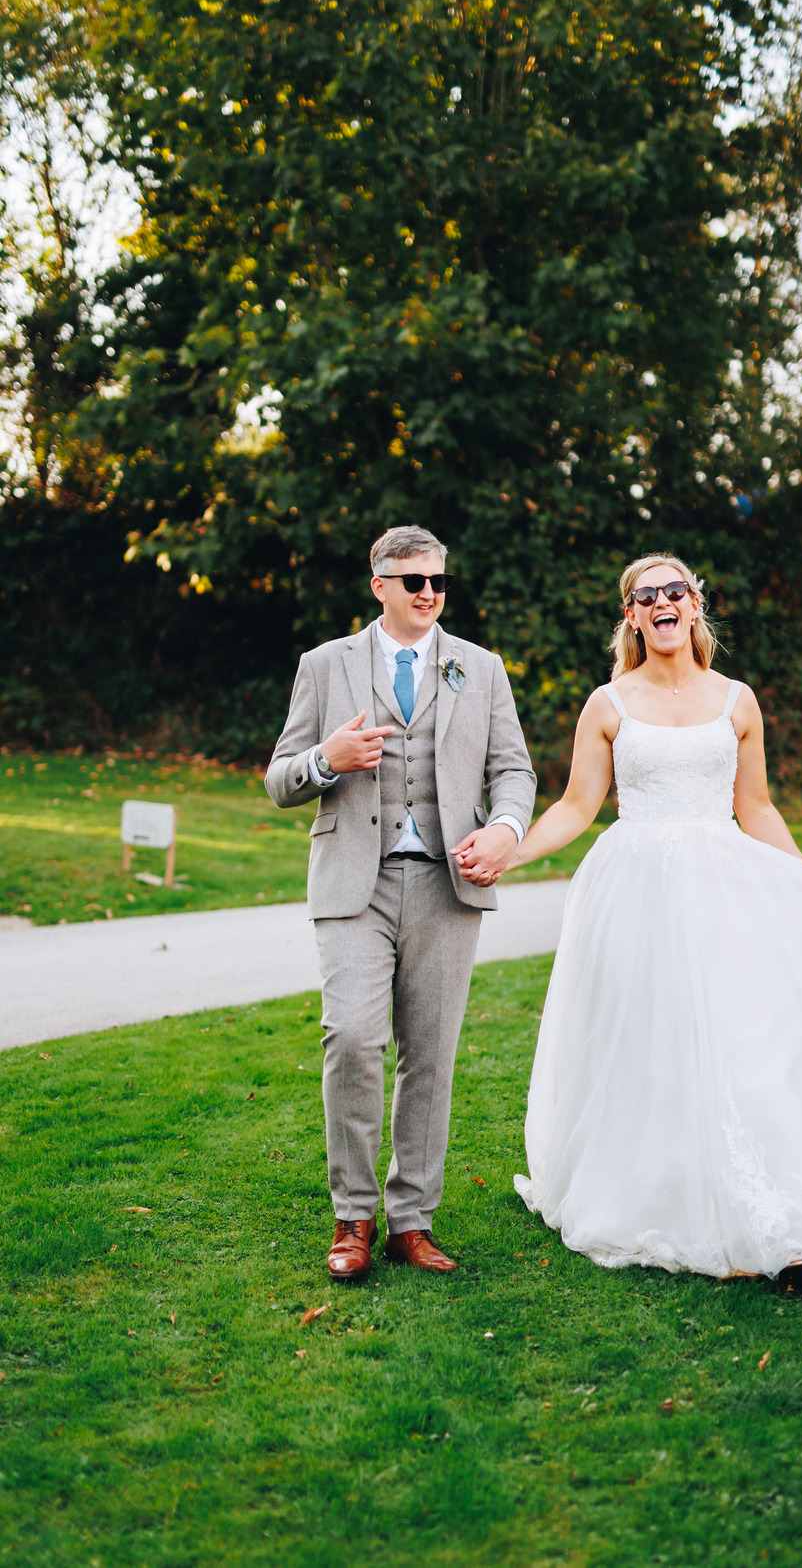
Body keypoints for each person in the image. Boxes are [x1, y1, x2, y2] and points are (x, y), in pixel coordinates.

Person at [503, 553, 802, 1284]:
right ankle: (661, 1190)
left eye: (672, 591)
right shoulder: (607, 703)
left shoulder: (736, 700)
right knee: (651, 1044)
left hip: (722, 887)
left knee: (747, 1042)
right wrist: (511, 854)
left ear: (693, 604)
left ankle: (788, 1229)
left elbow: (757, 807)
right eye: (643, 596)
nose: (660, 604)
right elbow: (576, 807)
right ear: (630, 616)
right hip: (633, 891)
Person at [265, 525, 536, 1280]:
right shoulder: (324, 666)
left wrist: (507, 828)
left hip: (449, 885)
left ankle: (410, 1222)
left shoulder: (479, 669)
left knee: (432, 1056)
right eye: (412, 580)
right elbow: (279, 777)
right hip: (356, 881)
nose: (427, 593)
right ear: (378, 584)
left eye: (437, 582)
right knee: (351, 1038)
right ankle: (352, 1216)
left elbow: (513, 770)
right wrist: (328, 759)